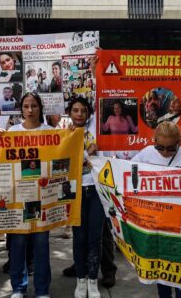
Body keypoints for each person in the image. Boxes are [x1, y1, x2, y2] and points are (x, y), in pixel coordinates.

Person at [131, 121, 181, 298]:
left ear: (179, 142)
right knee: (162, 273)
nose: (165, 152)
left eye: (171, 148)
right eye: (160, 147)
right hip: (156, 226)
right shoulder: (145, 154)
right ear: (153, 141)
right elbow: (125, 175)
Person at [8, 93, 53, 298]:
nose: (30, 110)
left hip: (43, 198)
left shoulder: (51, 132)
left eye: (34, 106)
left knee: (41, 245)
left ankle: (42, 290)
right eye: (26, 106)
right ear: (21, 108)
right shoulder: (12, 132)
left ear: (40, 108)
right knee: (17, 245)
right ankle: (18, 287)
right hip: (19, 197)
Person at [65, 97, 104, 298]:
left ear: (88, 113)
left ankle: (92, 280)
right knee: (79, 238)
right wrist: (88, 154)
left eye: (83, 110)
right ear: (70, 113)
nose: (79, 114)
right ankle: (80, 280)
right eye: (75, 110)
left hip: (96, 190)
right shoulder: (64, 134)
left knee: (94, 239)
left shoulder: (96, 132)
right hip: (76, 191)